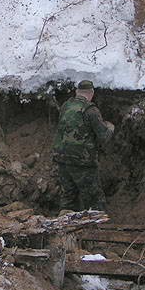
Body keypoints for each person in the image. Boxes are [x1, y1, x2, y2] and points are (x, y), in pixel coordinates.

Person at [52, 80, 114, 212]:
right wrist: (110, 127)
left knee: (68, 196)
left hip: (62, 158)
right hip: (82, 161)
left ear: (76, 92)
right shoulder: (91, 110)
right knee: (93, 198)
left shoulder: (66, 106)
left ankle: (65, 226)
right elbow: (104, 136)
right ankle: (97, 228)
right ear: (91, 93)